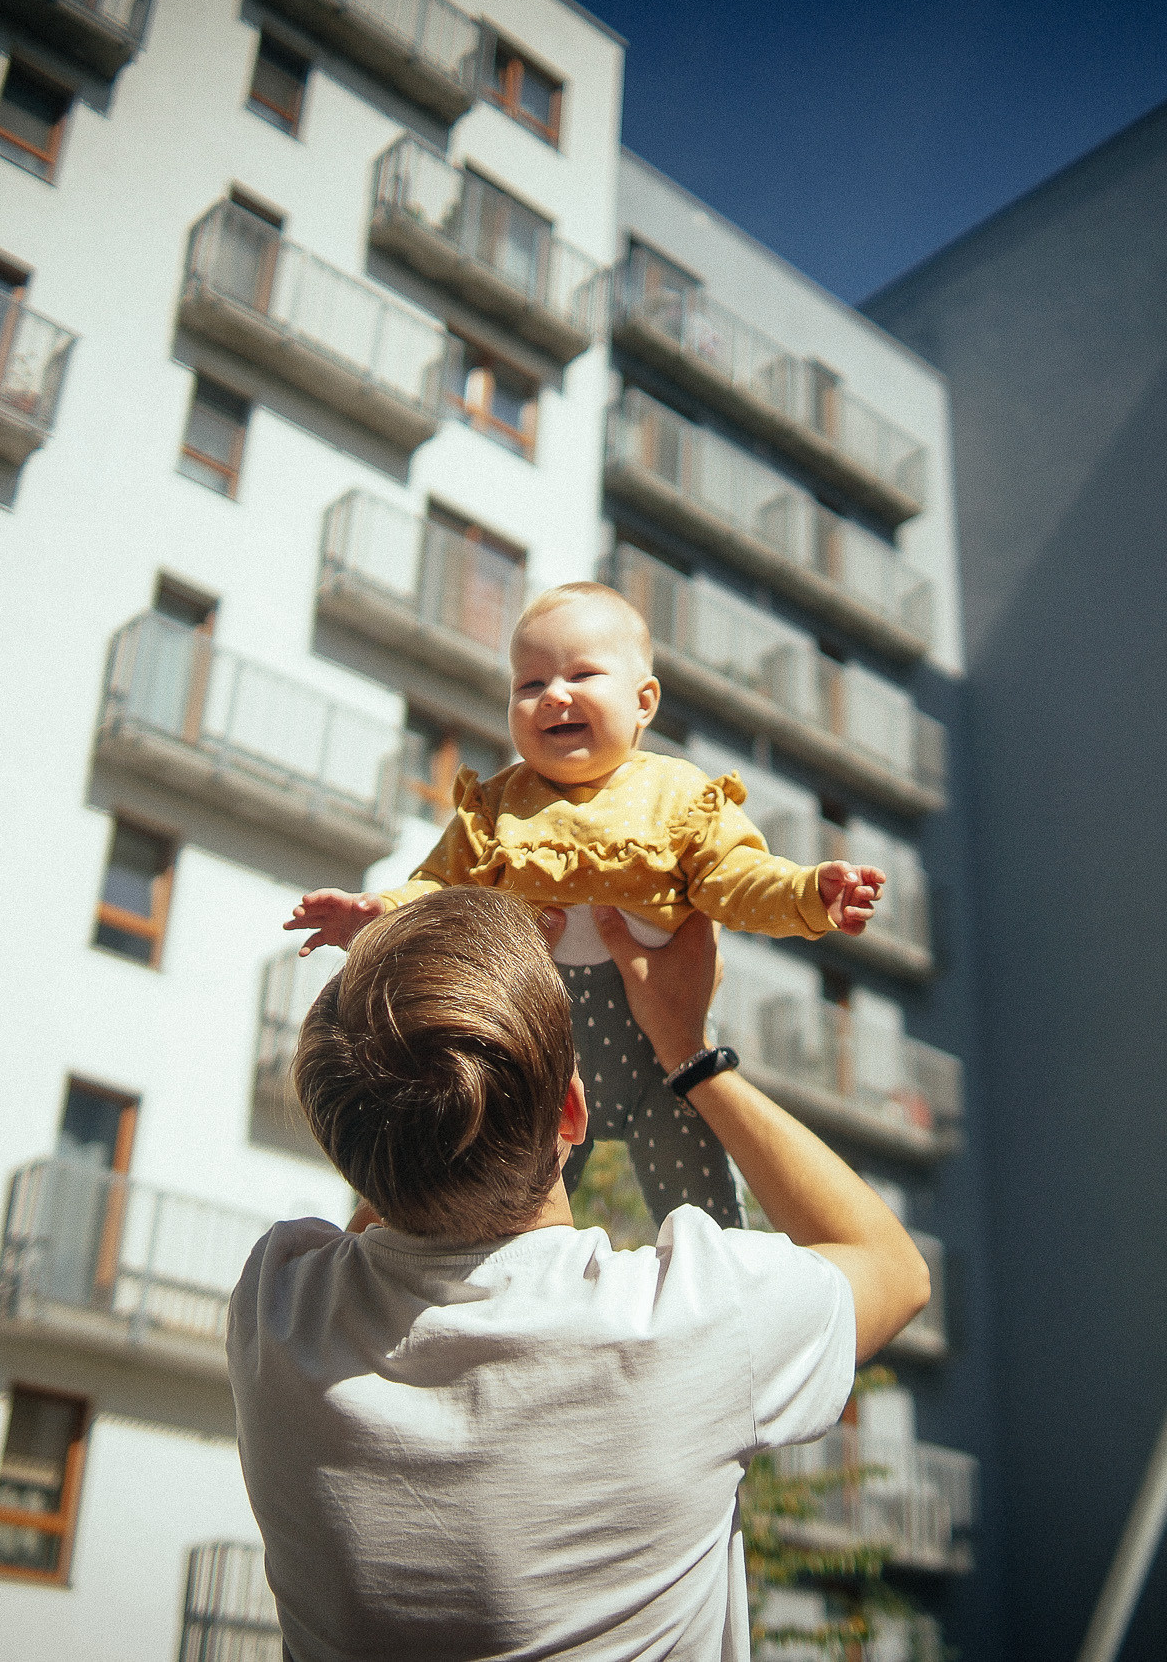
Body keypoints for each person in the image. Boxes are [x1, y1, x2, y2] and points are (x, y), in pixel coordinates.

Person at [228, 887, 930, 1661]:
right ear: (571, 1111)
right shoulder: (688, 1320)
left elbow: (387, 1184)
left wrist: (403, 1001)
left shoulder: (278, 1307)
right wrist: (689, 1052)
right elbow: (893, 1268)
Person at [285, 582, 886, 1228]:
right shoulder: (497, 806)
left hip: (661, 1057)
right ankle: (413, 1262)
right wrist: (381, 914)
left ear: (643, 701)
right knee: (481, 1201)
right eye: (530, 683)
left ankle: (709, 1292)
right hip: (534, 1056)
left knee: (703, 1216)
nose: (555, 695)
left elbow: (735, 877)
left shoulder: (676, 795)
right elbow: (439, 887)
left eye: (582, 674)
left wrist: (807, 892)